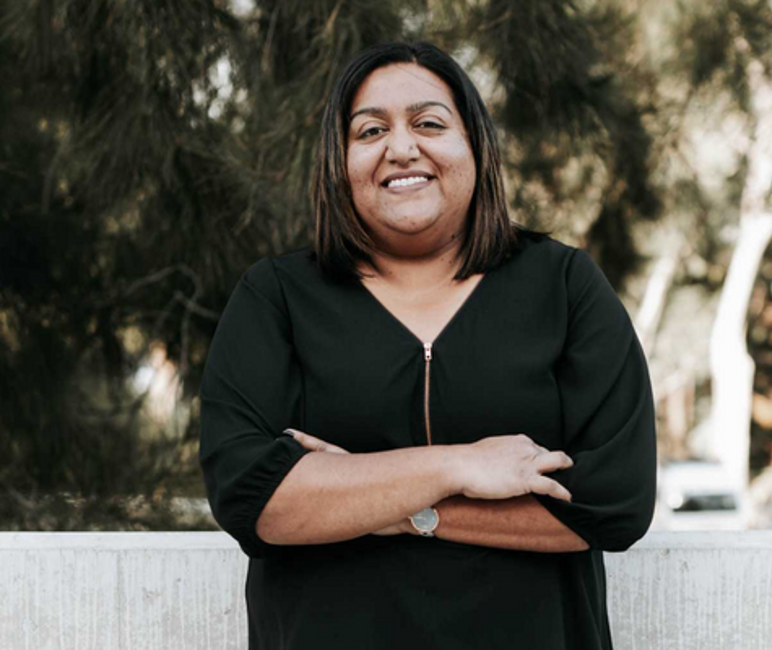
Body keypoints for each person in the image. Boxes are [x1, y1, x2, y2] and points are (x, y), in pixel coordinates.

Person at [199, 41, 656, 650]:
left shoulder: (564, 286)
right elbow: (251, 499)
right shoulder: (276, 298)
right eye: (370, 131)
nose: (402, 147)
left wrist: (398, 510)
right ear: (341, 161)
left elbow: (613, 501)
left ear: (475, 146)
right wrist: (460, 466)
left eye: (429, 123)